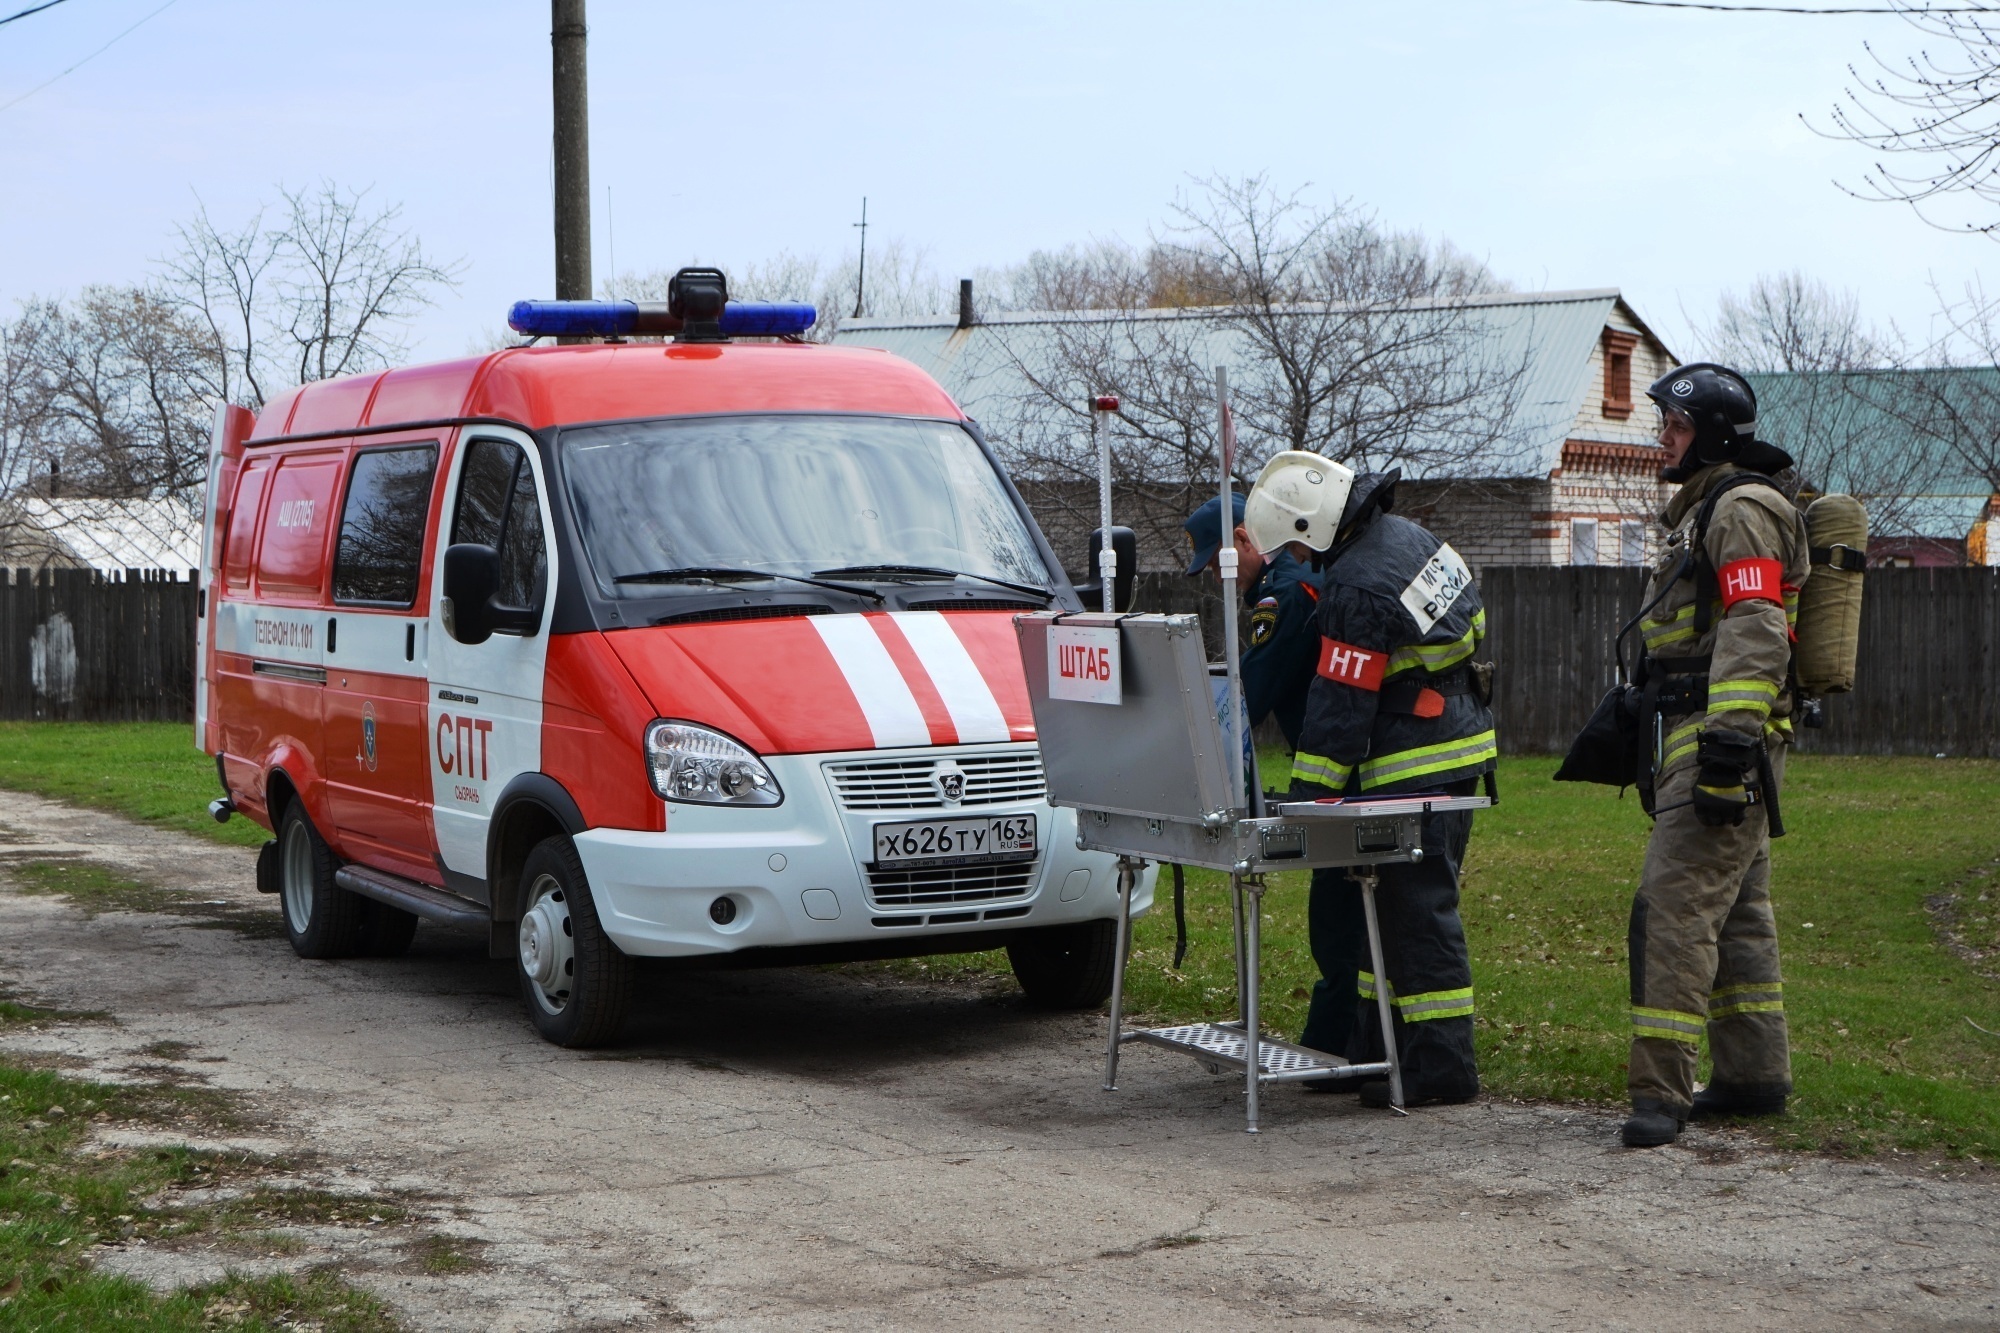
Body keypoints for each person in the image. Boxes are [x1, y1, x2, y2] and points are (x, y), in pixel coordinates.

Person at [1245, 451, 1496, 1107]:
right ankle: (1372, 1053)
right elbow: (1473, 623)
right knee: (1377, 913)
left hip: (1415, 765)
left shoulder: (1354, 587)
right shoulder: (1412, 536)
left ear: (1312, 522)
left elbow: (1338, 714)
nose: (1297, 556)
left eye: (1296, 543)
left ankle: (1440, 1070)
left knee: (1416, 916)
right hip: (1455, 743)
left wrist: (1301, 805)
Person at [1621, 363, 1806, 1148]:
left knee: (1672, 909)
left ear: (1717, 435)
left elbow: (1756, 619)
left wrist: (1730, 741)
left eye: (1678, 425)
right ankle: (1755, 1075)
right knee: (1739, 913)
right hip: (1707, 732)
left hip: (1721, 737)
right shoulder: (1709, 508)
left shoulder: (1740, 510)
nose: (1664, 437)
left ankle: (1659, 1094)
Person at [1183, 494, 1362, 1074]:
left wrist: (1197, 754)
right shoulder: (1301, 578)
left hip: (1349, 774)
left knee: (1338, 916)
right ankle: (1354, 1041)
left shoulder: (1282, 592)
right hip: (1353, 764)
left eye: (1215, 561)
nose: (1215, 576)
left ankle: (1340, 1048)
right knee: (1349, 911)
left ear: (1242, 540)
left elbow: (1250, 693)